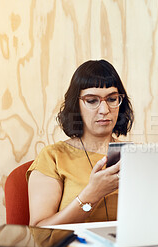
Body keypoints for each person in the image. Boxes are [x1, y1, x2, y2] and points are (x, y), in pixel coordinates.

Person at [26, 59, 134, 226]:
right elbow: (39, 230)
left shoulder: (136, 155)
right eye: (92, 101)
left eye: (112, 99)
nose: (105, 110)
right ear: (76, 105)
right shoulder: (53, 156)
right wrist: (92, 194)